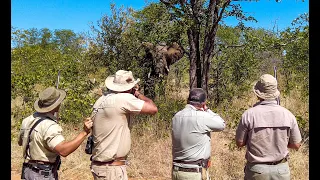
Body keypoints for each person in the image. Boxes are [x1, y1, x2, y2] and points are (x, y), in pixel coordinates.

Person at [89, 70, 158, 180]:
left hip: (101, 166)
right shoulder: (123, 99)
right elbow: (153, 109)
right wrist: (137, 94)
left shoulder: (101, 100)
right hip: (112, 169)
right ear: (130, 87)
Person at [235, 74, 302, 180]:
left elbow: (239, 143)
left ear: (258, 94)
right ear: (275, 94)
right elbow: (296, 145)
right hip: (281, 170)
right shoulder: (288, 115)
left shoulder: (248, 115)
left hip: (256, 170)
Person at [18, 86, 93, 180]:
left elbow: (20, 142)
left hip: (27, 171)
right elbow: (63, 151)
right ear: (56, 105)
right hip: (42, 174)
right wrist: (84, 132)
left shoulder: (27, 120)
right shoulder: (49, 126)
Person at [172, 88, 226, 180]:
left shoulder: (176, 116)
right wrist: (207, 110)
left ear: (188, 100)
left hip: (176, 171)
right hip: (194, 172)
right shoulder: (202, 116)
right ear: (203, 103)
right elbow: (222, 124)